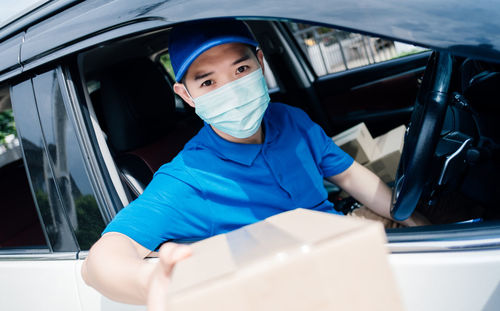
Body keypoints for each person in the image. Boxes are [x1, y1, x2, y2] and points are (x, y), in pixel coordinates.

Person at [81, 19, 426, 309]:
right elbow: (101, 261)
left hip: (347, 248)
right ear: (186, 95)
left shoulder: (291, 120)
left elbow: (350, 175)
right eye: (208, 82)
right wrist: (150, 280)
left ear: (260, 62)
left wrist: (410, 218)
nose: (230, 89)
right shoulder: (187, 178)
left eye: (241, 69)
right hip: (299, 288)